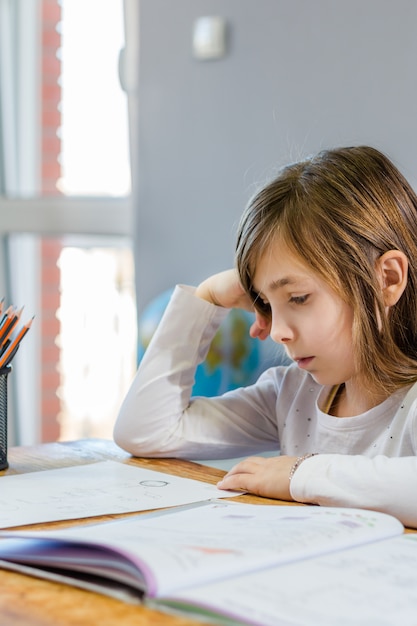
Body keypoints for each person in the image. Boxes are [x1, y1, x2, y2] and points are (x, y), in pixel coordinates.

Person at [114, 145, 417, 528]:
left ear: (387, 278)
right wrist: (206, 298)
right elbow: (145, 432)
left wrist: (299, 476)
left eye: (298, 298)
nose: (277, 332)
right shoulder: (292, 395)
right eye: (266, 303)